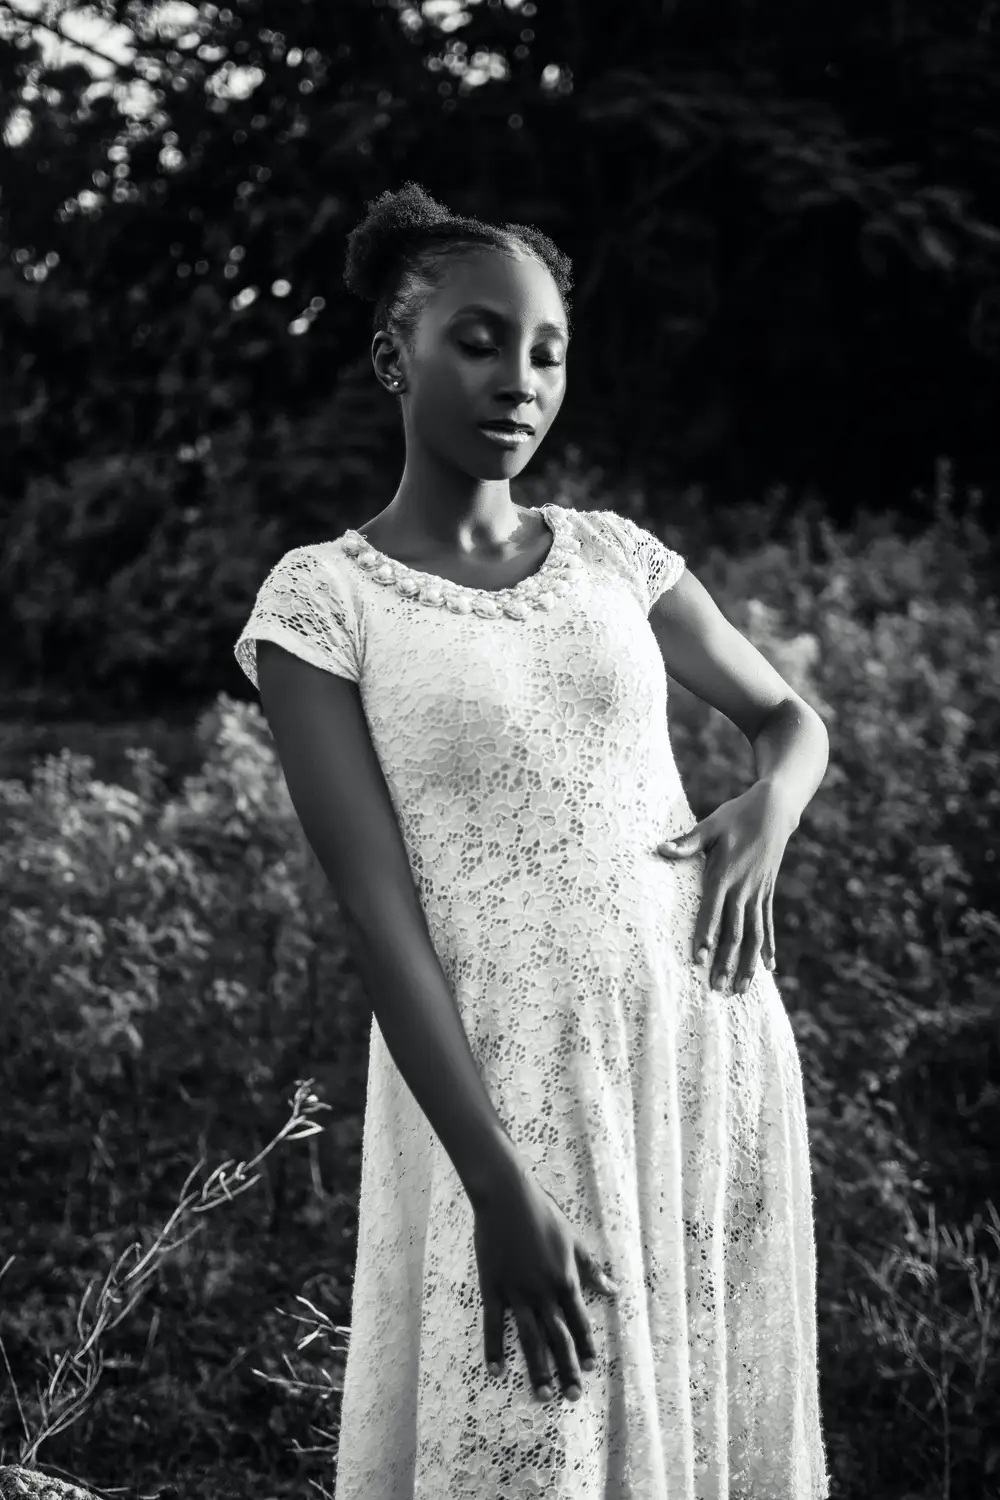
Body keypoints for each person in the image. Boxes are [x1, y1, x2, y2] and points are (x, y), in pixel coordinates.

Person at [233, 181, 831, 1500]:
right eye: (479, 338)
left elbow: (789, 721)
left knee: (704, 1432)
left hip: (703, 1049)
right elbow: (379, 916)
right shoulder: (323, 603)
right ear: (394, 353)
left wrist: (764, 815)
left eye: (549, 347)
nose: (521, 377)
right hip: (503, 1092)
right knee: (528, 1446)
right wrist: (498, 1186)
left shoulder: (614, 558)